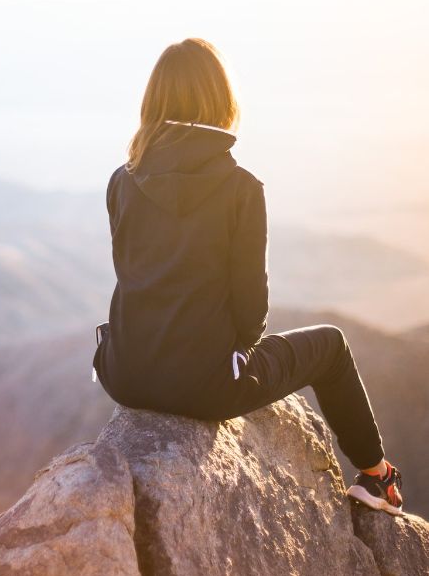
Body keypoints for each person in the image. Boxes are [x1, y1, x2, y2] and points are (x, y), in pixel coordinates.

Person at [92, 37, 403, 516]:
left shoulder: (121, 179)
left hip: (123, 373)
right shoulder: (241, 189)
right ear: (221, 101)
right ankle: (376, 475)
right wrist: (226, 357)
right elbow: (252, 311)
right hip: (205, 386)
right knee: (333, 346)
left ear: (153, 102)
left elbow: (131, 274)